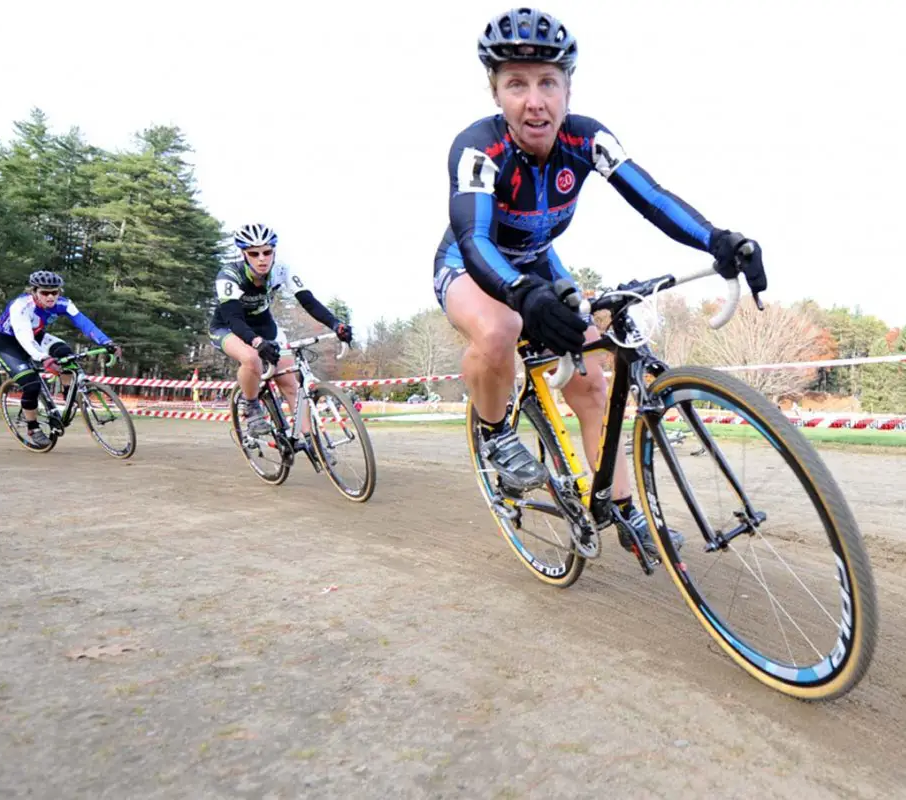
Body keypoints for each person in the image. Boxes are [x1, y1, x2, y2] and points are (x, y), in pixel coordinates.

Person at [432, 8, 768, 561]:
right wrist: (521, 294)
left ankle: (622, 507)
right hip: (472, 263)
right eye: (516, 83)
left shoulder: (587, 140)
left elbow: (652, 198)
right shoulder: (477, 148)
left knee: (593, 383)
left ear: (568, 89)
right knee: (500, 328)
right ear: (496, 93)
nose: (534, 100)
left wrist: (717, 239)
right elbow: (474, 237)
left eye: (547, 82)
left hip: (540, 262)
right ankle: (495, 434)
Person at [209, 223, 352, 437]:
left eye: (267, 252)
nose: (262, 258)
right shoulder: (229, 275)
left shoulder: (281, 270)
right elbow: (235, 319)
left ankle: (312, 442)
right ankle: (251, 407)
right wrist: (257, 343)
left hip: (265, 326)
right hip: (229, 328)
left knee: (291, 384)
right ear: (243, 254)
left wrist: (335, 324)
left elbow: (308, 302)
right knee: (251, 358)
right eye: (254, 253)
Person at [0, 270, 122, 448]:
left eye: (55, 292)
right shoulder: (21, 306)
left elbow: (84, 323)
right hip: (8, 345)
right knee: (31, 385)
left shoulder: (63, 303)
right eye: (45, 292)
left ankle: (68, 395)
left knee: (66, 354)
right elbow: (24, 336)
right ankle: (33, 427)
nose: (51, 296)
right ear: (34, 291)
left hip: (37, 336)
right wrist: (43, 358)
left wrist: (106, 342)